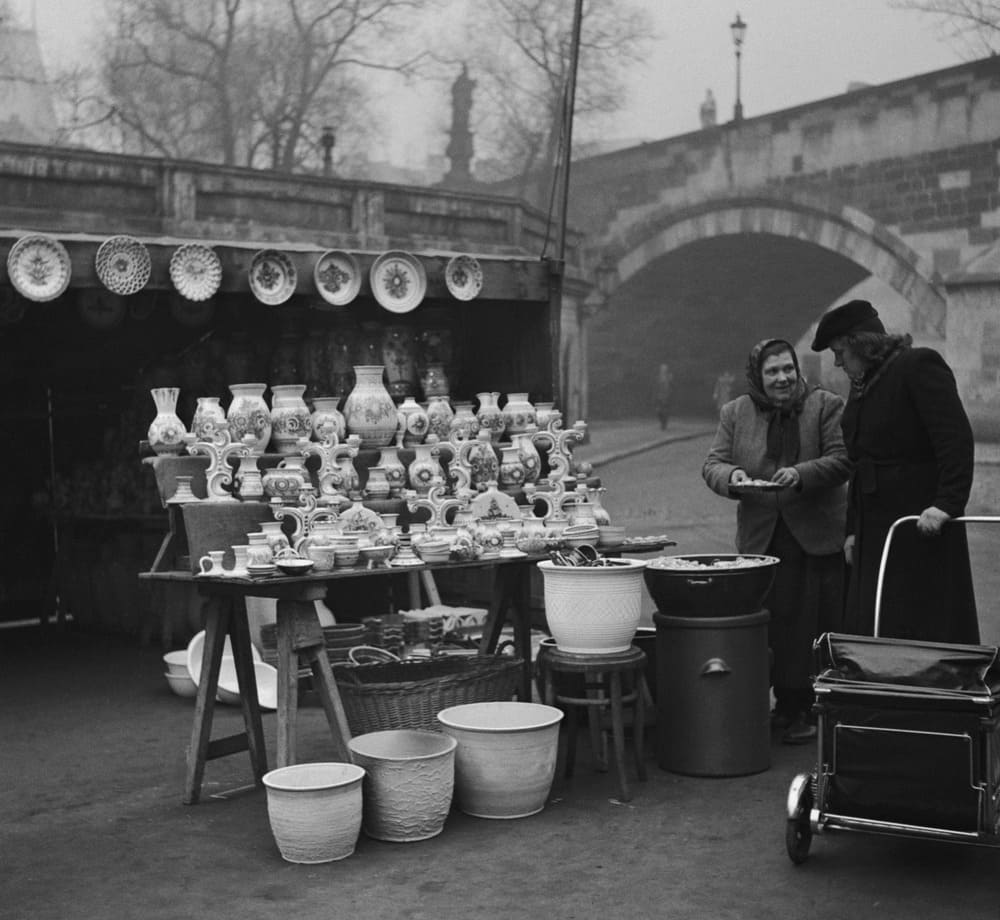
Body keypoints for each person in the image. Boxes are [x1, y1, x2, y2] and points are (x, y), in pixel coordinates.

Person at [703, 339, 851, 743]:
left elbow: (841, 459)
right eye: (772, 372)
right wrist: (732, 478)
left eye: (788, 369)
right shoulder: (736, 412)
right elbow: (714, 463)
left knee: (809, 627)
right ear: (758, 376)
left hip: (813, 538)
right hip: (762, 540)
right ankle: (772, 706)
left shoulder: (824, 405)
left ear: (797, 370)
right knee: (769, 626)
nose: (782, 378)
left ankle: (806, 707)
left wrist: (802, 473)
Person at [810, 299, 979, 643]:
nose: (837, 361)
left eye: (840, 351)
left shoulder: (918, 366)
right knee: (876, 620)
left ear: (860, 343)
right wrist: (852, 531)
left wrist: (946, 504)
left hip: (920, 522)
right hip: (874, 529)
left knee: (922, 620)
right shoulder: (862, 386)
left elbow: (955, 440)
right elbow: (861, 464)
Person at [655, 363, 674, 430]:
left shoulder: (669, 377)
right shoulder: (658, 377)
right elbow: (656, 387)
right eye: (662, 369)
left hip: (667, 396)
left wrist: (670, 394)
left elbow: (671, 386)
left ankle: (664, 424)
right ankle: (662, 422)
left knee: (665, 411)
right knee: (658, 411)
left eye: (665, 369)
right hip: (659, 396)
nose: (663, 370)